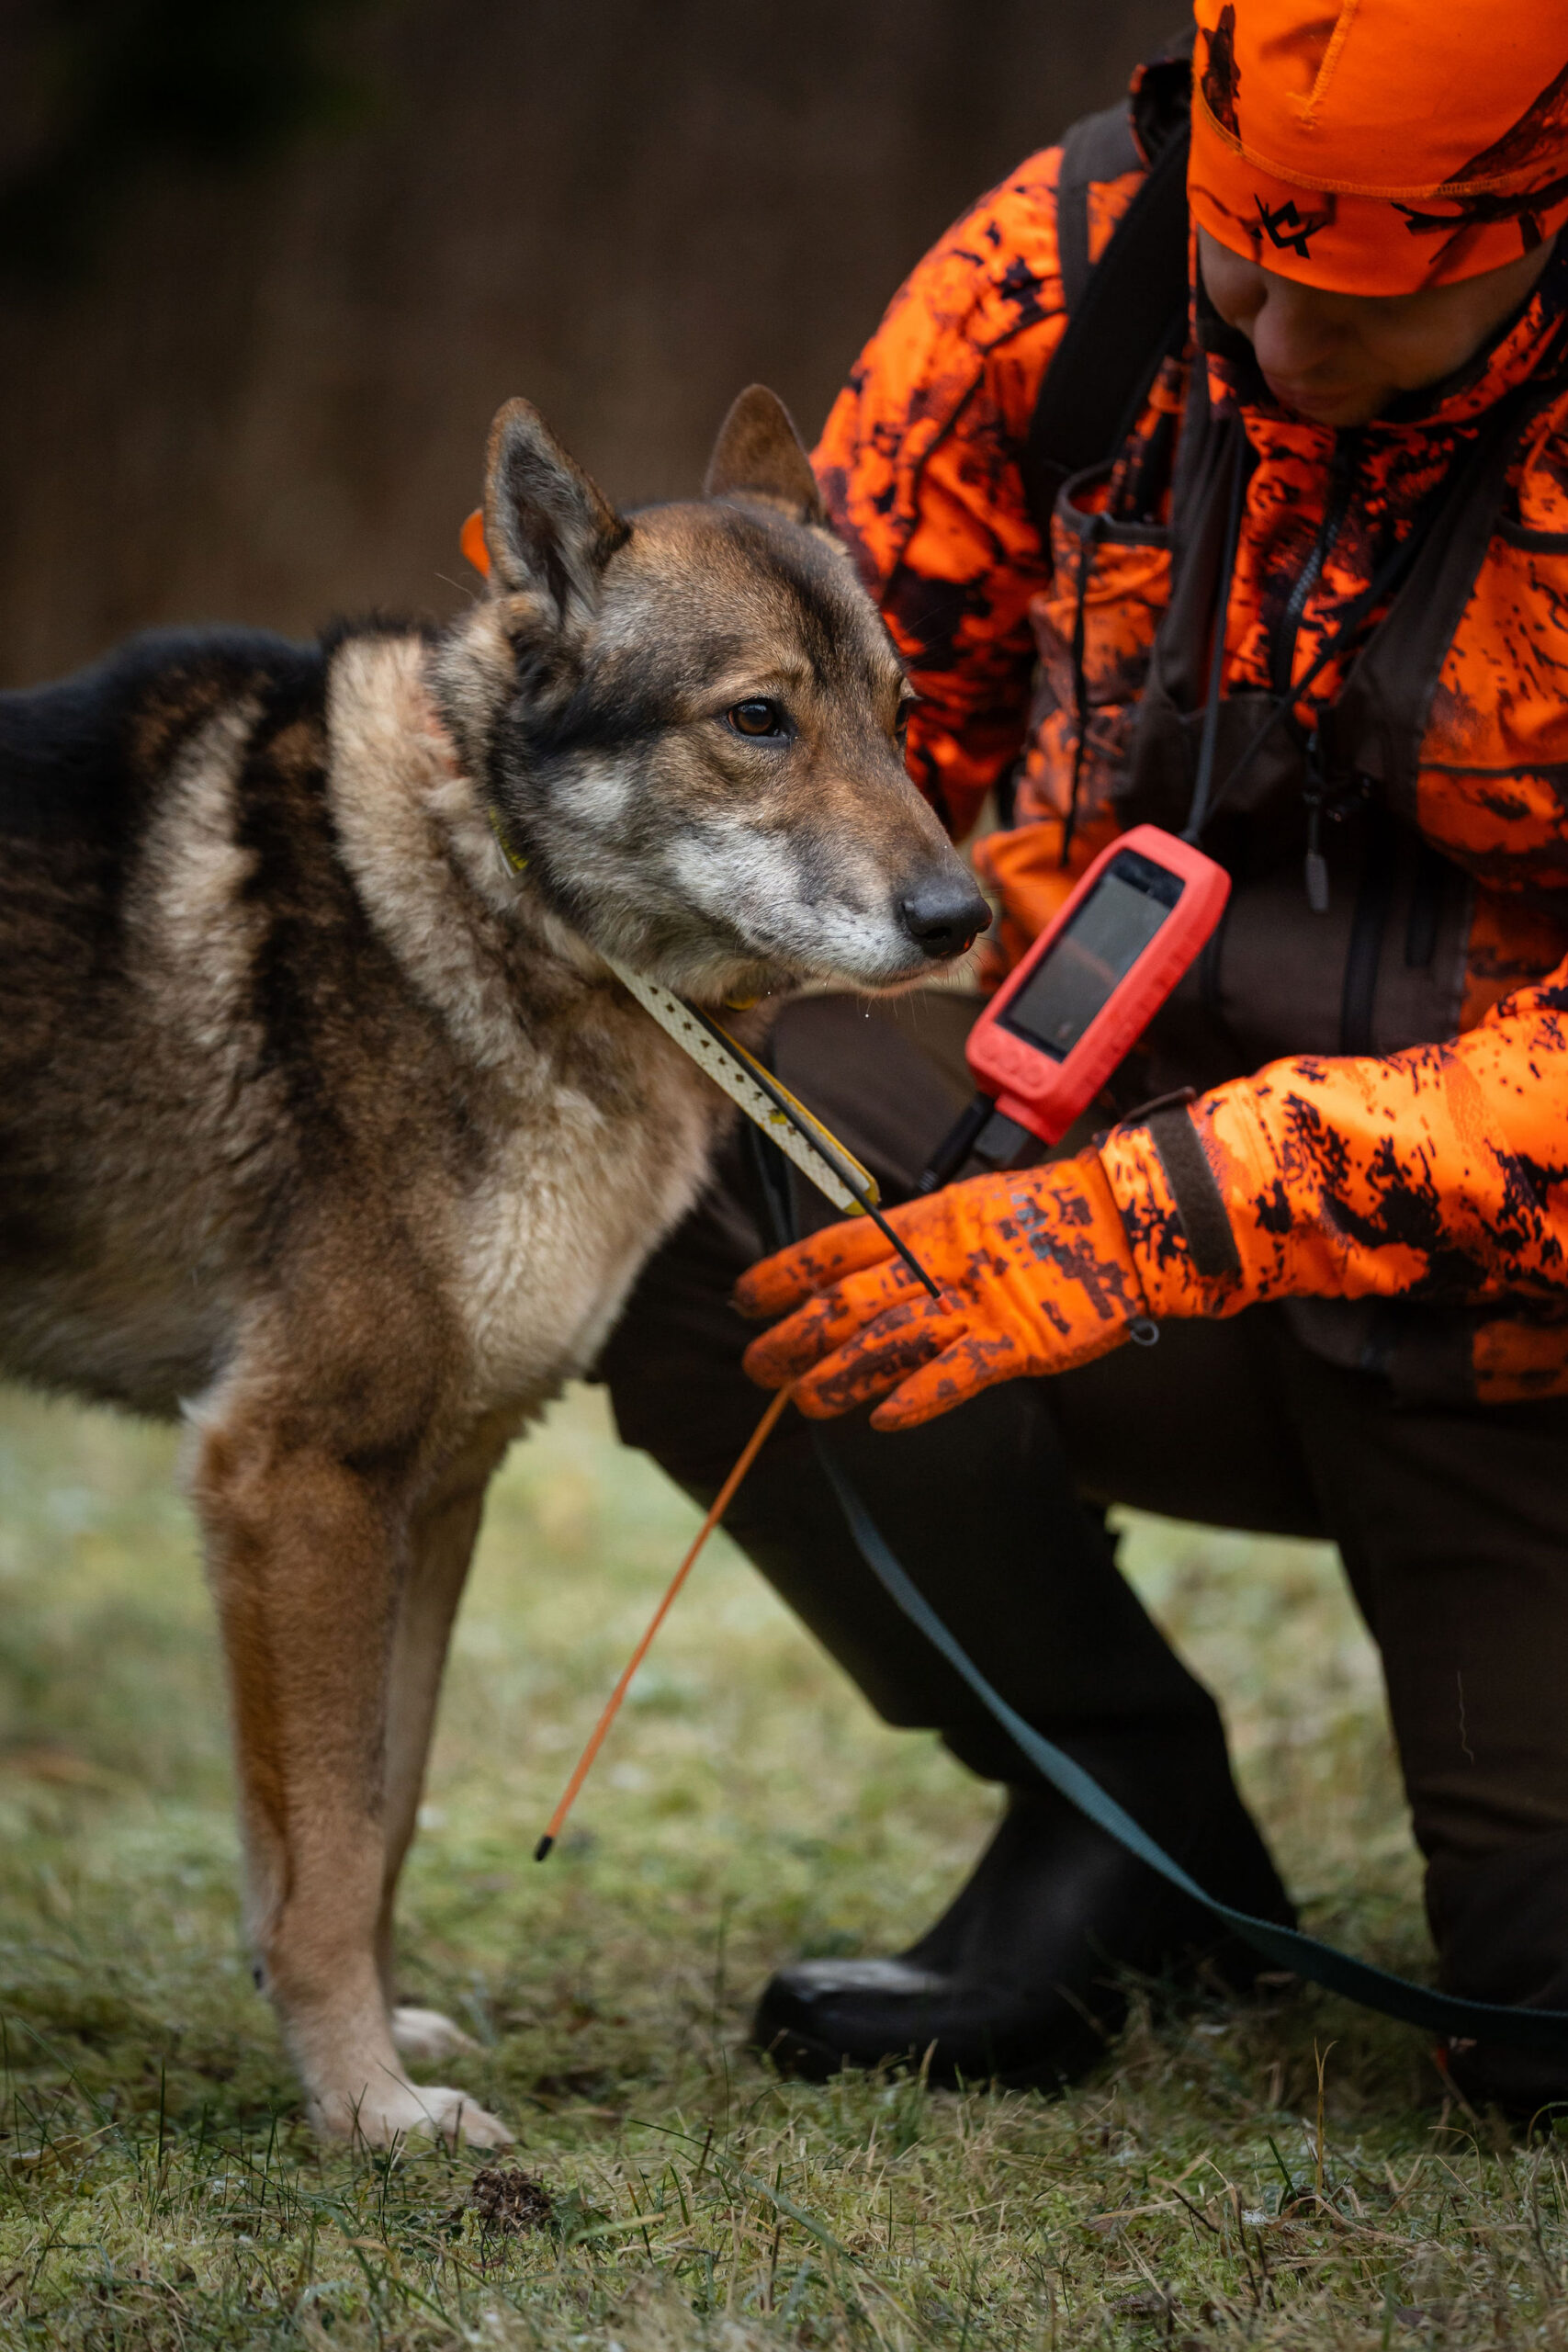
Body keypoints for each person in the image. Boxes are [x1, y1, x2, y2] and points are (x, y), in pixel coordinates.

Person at [601, 0, 1568, 2119]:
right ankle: (1119, 1821)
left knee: (1538, 2039)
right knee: (659, 1153)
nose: (1280, 348)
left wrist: (1168, 1212)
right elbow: (845, 721)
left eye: (1364, 305)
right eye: (1246, 265)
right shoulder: (1061, 270)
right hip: (1075, 1128)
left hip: (1513, 1340)